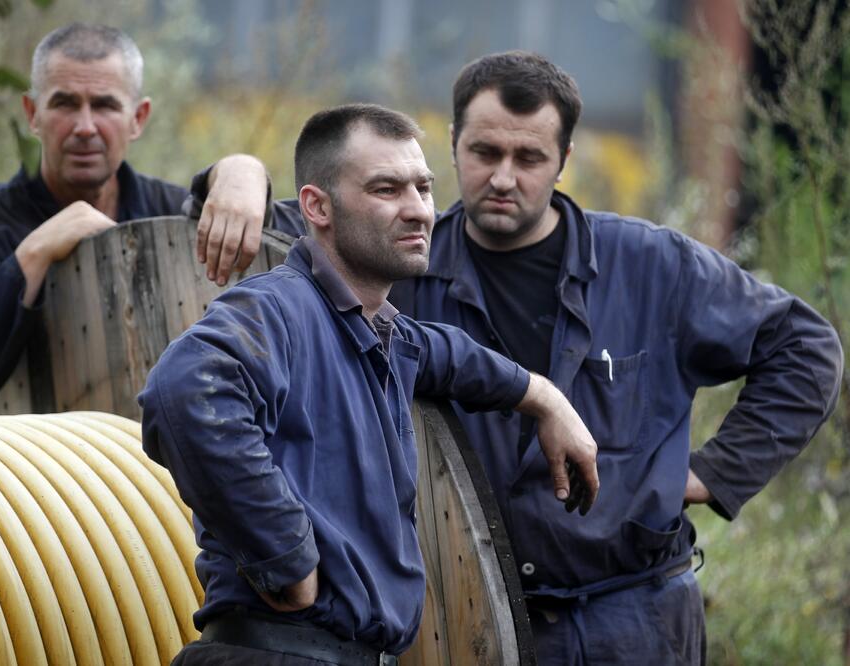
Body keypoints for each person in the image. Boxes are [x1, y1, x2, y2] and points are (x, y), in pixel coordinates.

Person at [201, 52, 844, 664]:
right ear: (454, 143)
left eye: (529, 157)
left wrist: (712, 473)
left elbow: (804, 347)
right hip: (467, 619)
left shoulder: (652, 266)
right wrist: (237, 170)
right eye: (484, 152)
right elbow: (279, 214)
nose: (503, 177)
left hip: (635, 618)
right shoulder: (399, 256)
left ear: (563, 159)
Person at [139, 103, 600, 665]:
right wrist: (286, 558)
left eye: (423, 188)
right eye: (386, 190)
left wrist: (546, 399)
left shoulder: (378, 331)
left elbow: (445, 354)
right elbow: (185, 390)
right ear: (317, 207)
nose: (418, 211)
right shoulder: (278, 308)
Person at [0, 23, 269, 411]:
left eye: (104, 105)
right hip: (35, 469)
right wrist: (33, 254)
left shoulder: (173, 216)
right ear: (32, 114)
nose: (85, 127)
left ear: (138, 117)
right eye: (64, 104)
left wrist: (243, 169)